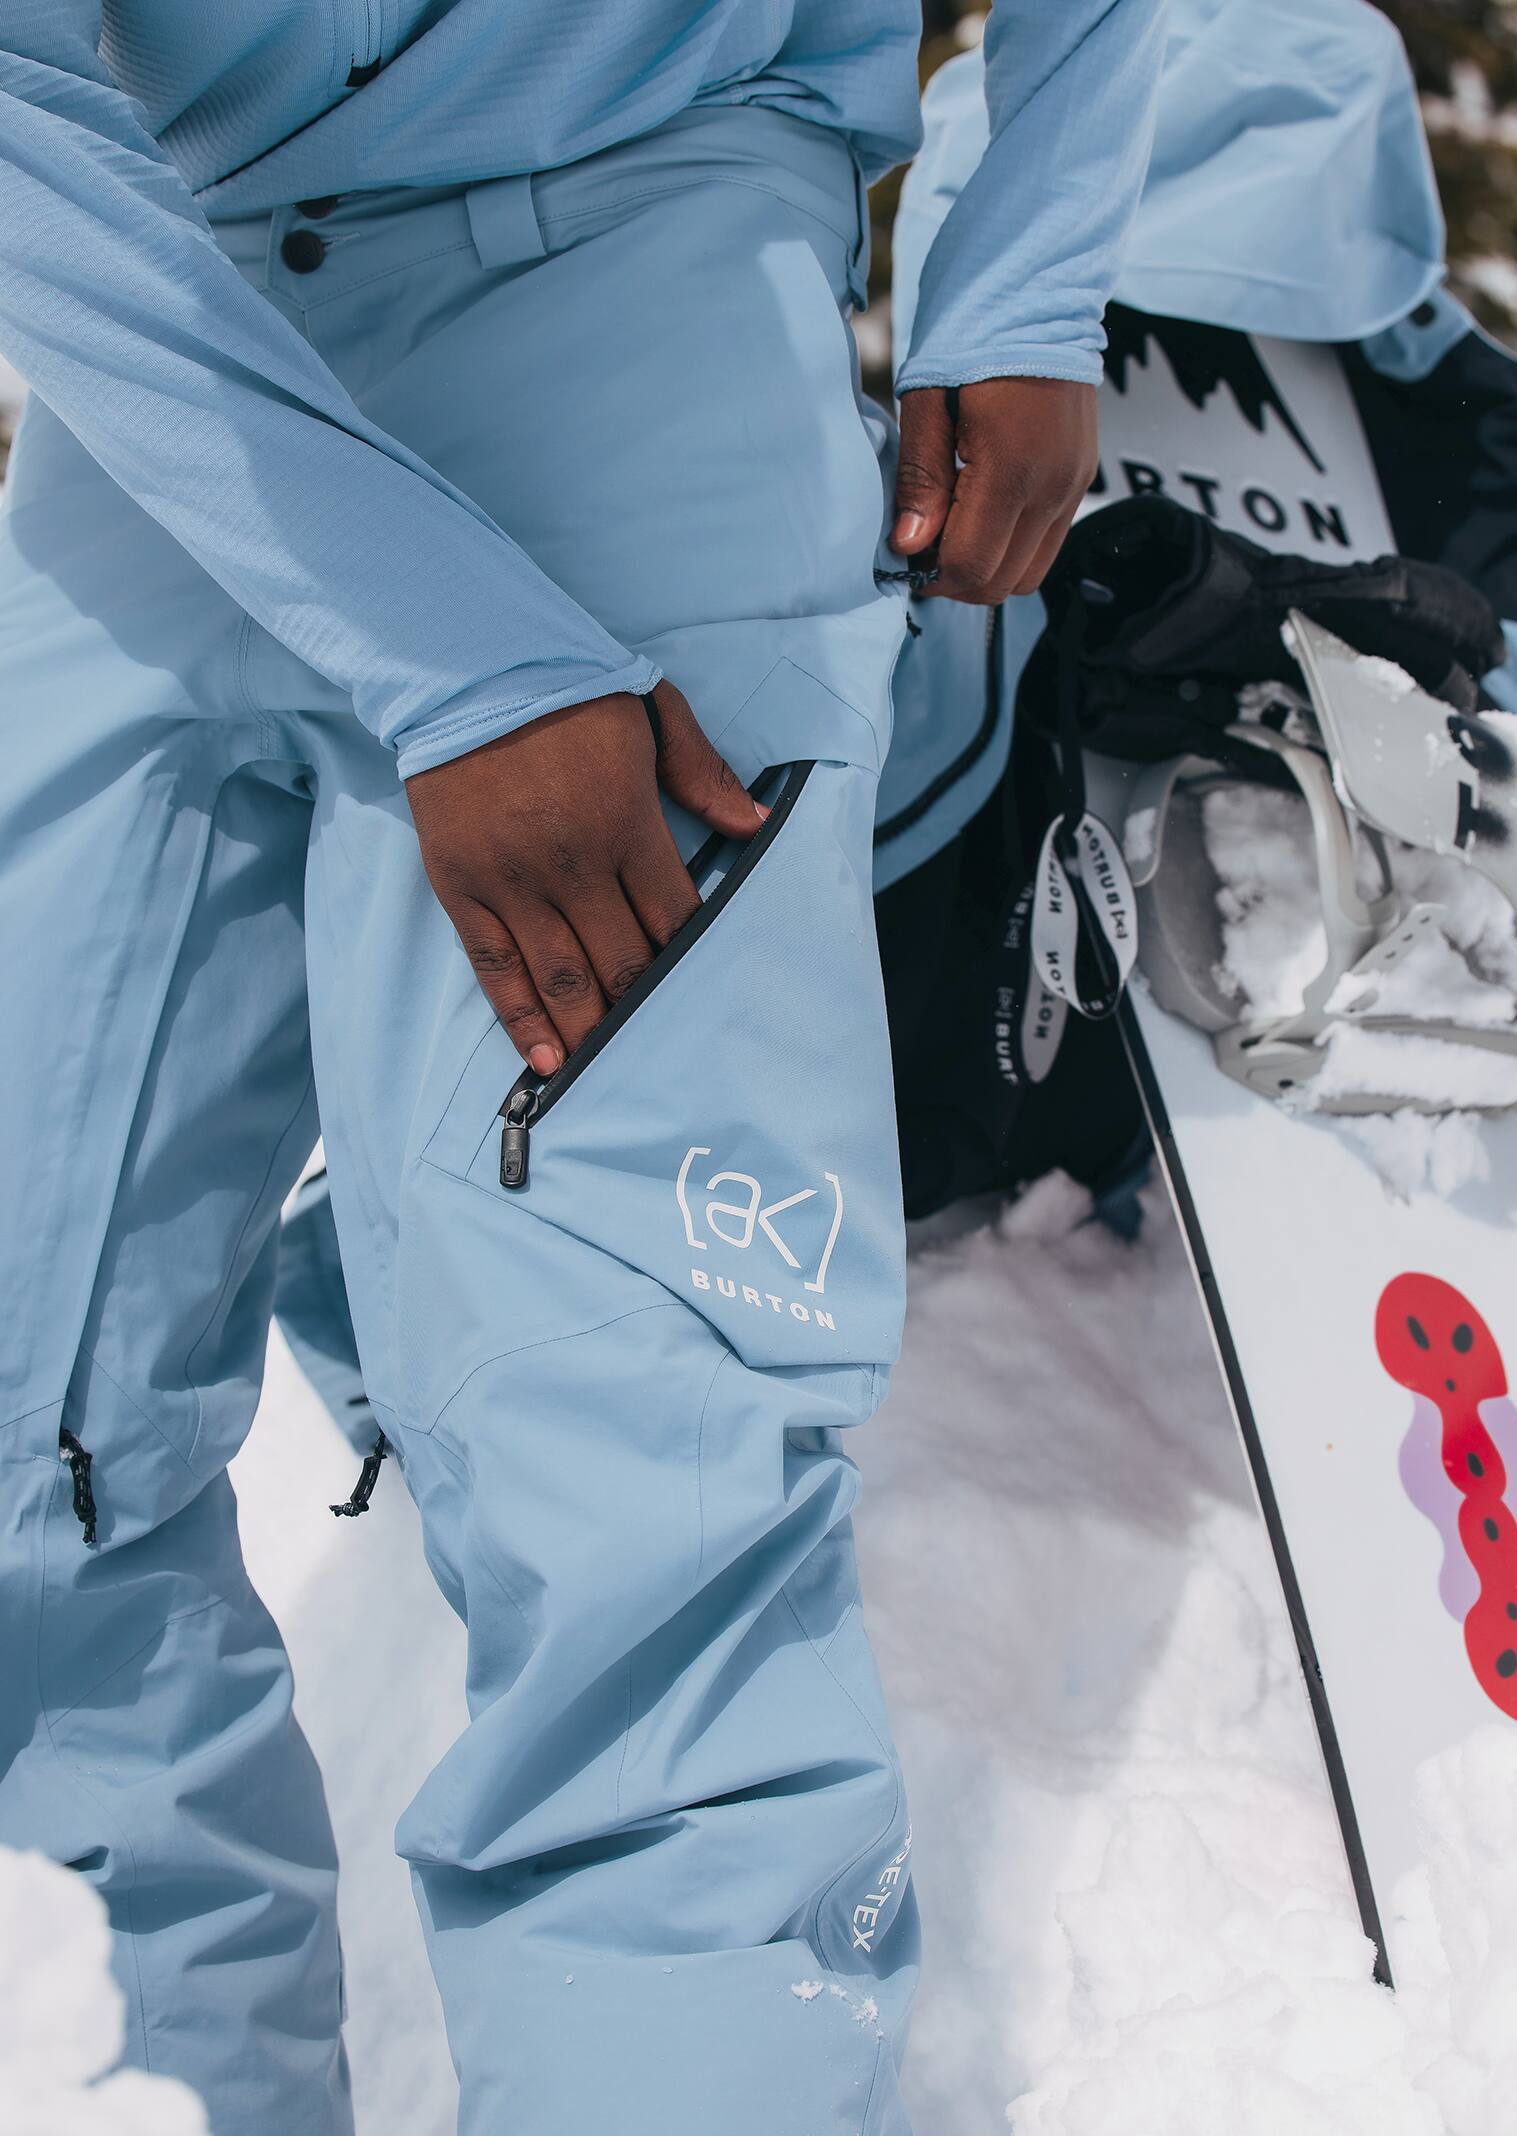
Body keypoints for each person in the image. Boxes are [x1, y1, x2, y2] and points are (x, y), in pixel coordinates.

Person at [0, 6, 1164, 2129]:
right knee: (20, 1446)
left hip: (639, 254)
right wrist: (451, 659)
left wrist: (1025, 270)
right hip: (156, 335)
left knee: (629, 1462)